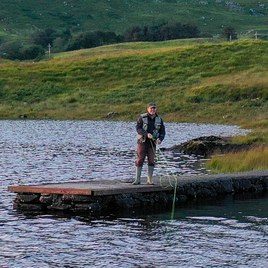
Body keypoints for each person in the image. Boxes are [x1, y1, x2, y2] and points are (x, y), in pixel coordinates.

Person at [133, 102, 165, 185]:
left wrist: (160, 139)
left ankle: (149, 180)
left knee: (151, 160)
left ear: (156, 109)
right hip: (142, 142)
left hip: (153, 143)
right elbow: (138, 128)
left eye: (154, 108)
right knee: (140, 160)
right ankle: (137, 180)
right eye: (151, 108)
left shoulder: (159, 119)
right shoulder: (142, 117)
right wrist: (146, 134)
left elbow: (162, 132)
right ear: (147, 109)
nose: (152, 110)